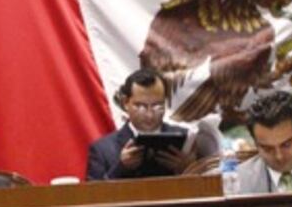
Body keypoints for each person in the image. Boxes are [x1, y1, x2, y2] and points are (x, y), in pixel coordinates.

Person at [86, 68, 214, 180]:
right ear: (125, 103)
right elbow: (90, 196)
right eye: (140, 106)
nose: (149, 114)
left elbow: (208, 189)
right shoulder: (102, 150)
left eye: (157, 106)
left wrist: (187, 169)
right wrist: (120, 168)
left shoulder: (187, 141)